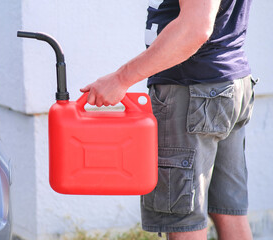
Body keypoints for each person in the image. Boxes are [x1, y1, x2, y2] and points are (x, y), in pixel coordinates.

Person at [80, 0, 255, 239]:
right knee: (229, 209)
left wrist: (121, 79)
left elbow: (195, 27)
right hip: (225, 83)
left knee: (183, 218)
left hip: (191, 92)